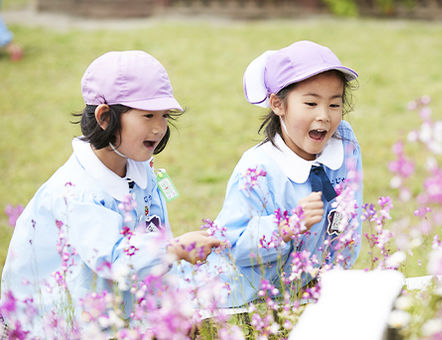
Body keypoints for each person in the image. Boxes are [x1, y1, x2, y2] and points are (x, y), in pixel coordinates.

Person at [0, 50, 221, 335]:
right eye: (148, 115)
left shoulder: (141, 172)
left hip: (109, 311)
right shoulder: (77, 192)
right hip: (51, 323)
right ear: (105, 117)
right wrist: (174, 249)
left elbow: (152, 237)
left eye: (165, 115)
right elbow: (114, 260)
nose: (159, 127)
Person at [187, 40, 364, 307]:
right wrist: (285, 227)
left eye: (334, 105)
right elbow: (230, 244)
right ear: (278, 104)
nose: (324, 116)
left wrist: (330, 277)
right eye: (311, 103)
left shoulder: (344, 142)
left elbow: (349, 218)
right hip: (240, 302)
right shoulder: (257, 169)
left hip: (305, 295)